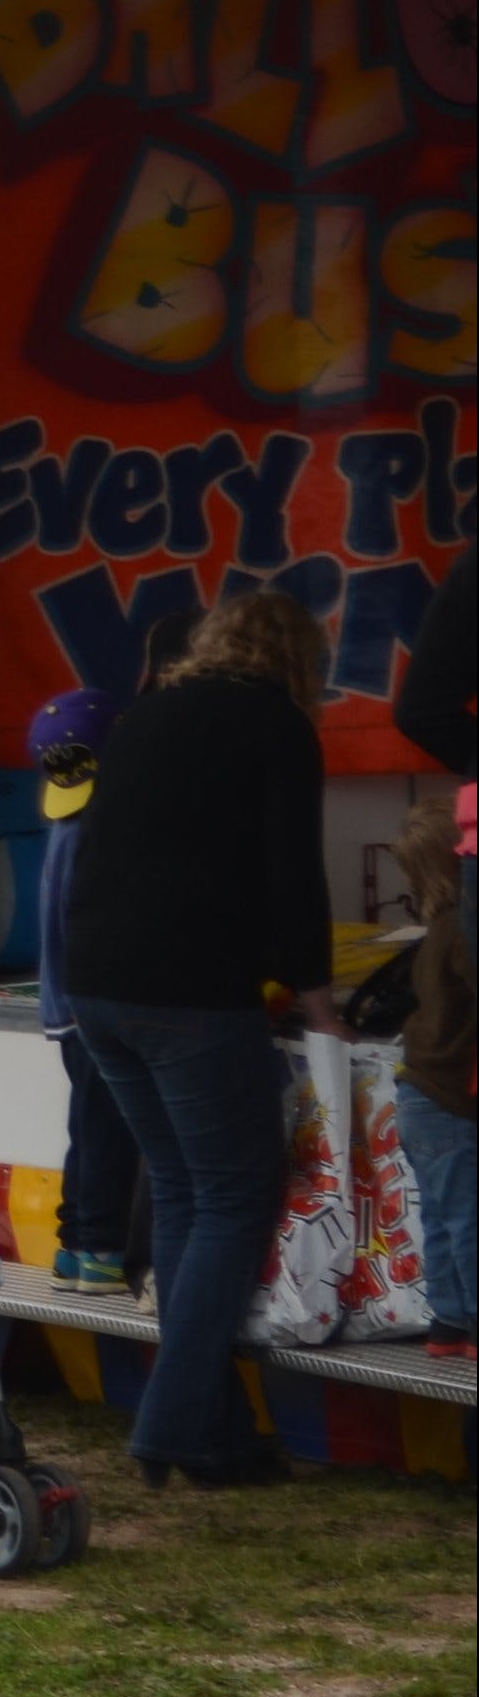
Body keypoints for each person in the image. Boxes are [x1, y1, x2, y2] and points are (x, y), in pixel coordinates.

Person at [63, 586, 343, 1487]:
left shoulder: (152, 712)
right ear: (299, 661)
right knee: (231, 1198)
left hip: (99, 984)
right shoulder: (276, 728)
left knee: (185, 1195)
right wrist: (316, 996)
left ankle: (214, 1437)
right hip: (189, 995)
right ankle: (170, 1427)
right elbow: (293, 874)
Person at [20, 688, 147, 1296]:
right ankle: (99, 1246)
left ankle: (74, 1245)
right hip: (92, 1002)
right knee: (108, 1129)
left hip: (64, 1008)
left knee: (86, 1125)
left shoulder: (63, 821)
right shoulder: (102, 826)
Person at [395, 554, 474, 1363]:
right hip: (451, 1097)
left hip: (426, 1094)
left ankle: (451, 1323)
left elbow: (421, 706)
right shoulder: (458, 933)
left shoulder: (438, 927)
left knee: (449, 1215)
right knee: (466, 1213)